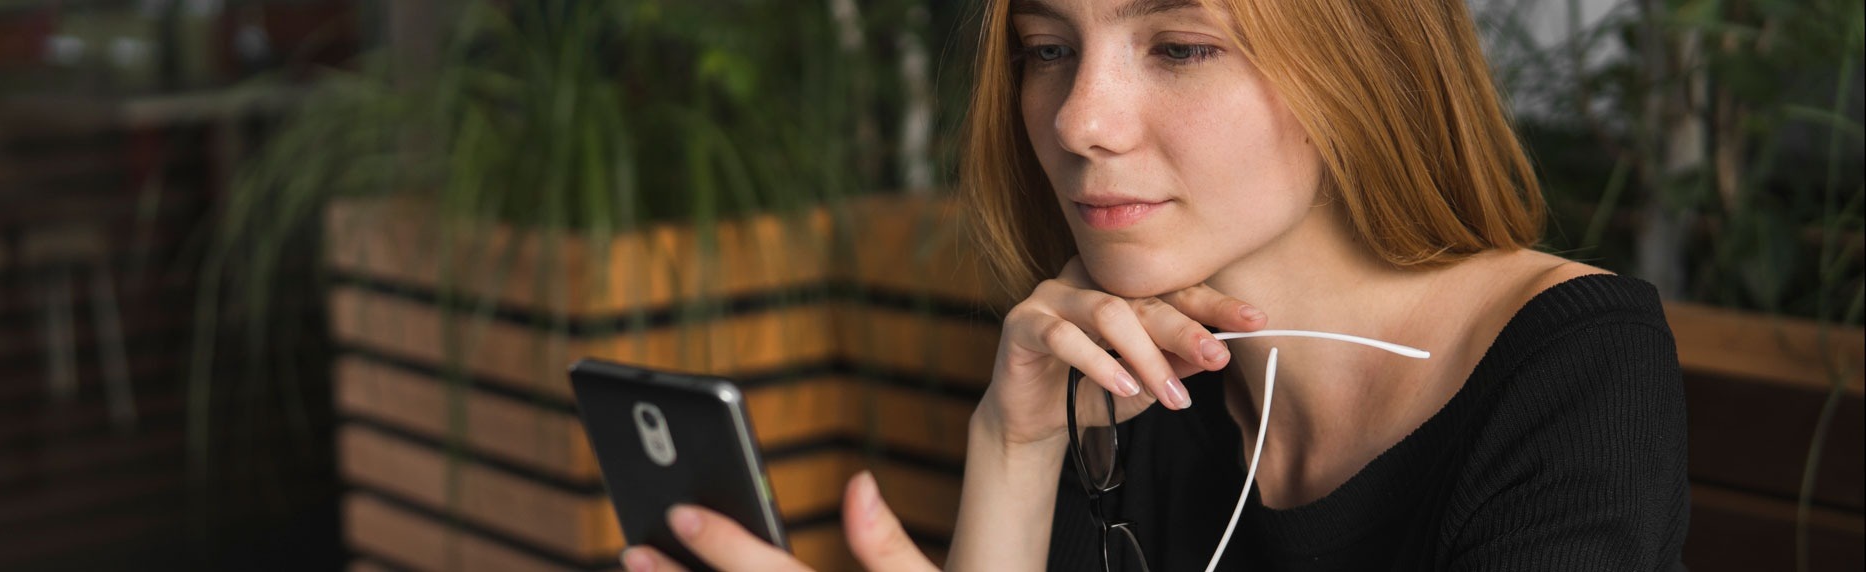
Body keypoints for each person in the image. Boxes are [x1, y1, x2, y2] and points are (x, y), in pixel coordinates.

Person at [618, 0, 1690, 570]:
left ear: (1365, 56)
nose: (1080, 119)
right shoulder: (1115, 368)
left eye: (1177, 45)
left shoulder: (1573, 369)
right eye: (1046, 46)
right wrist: (1015, 444)